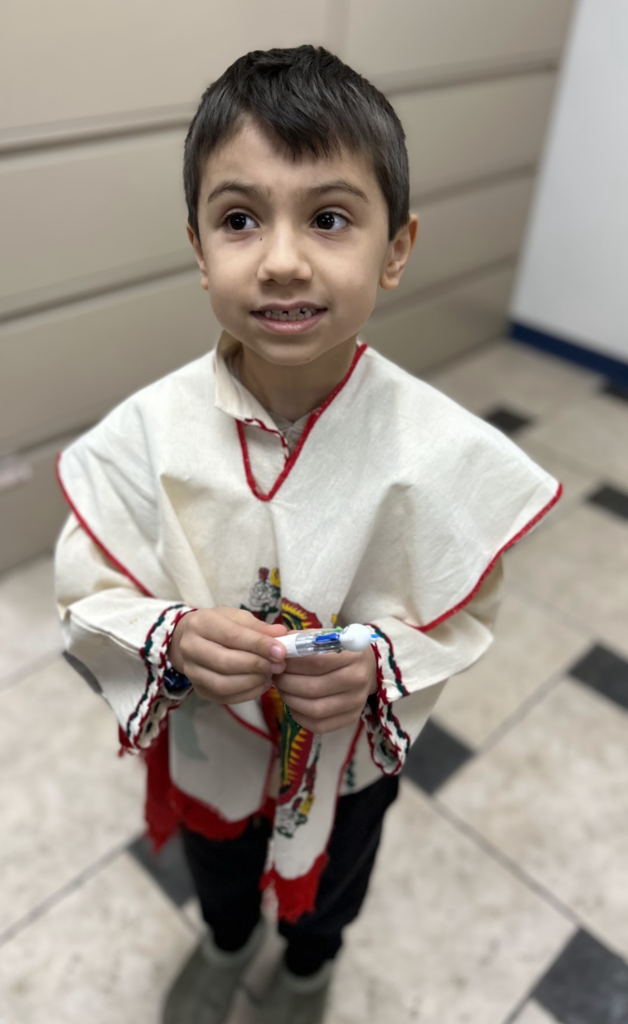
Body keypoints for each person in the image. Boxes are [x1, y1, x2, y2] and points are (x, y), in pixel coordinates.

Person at [54, 45, 561, 1024]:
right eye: (240, 219)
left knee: (337, 874)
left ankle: (308, 963)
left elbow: (461, 611)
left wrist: (378, 659)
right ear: (199, 250)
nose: (282, 257)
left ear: (395, 247)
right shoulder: (149, 432)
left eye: (329, 218)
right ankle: (229, 937)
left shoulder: (432, 446)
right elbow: (88, 585)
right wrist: (170, 635)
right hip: (208, 735)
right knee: (217, 861)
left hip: (346, 752)